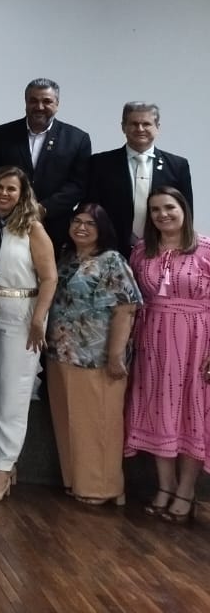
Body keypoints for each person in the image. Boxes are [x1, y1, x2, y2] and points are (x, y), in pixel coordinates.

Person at [0, 165, 57, 503]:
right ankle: (4, 461)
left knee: (13, 396)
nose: (4, 194)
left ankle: (0, 472)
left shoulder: (32, 229)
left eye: (11, 188)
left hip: (21, 314)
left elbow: (49, 277)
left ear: (22, 194)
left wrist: (39, 318)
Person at [125, 187, 210, 524]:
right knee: (160, 408)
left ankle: (186, 490)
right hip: (152, 340)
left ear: (184, 209)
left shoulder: (205, 248)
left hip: (197, 342)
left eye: (169, 208)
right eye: (156, 210)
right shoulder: (142, 251)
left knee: (191, 410)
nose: (163, 215)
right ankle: (165, 485)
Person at [46, 203, 140, 506]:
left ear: (103, 229)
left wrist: (116, 356)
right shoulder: (67, 258)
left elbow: (126, 309)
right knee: (69, 423)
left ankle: (104, 488)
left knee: (99, 424)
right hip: (61, 354)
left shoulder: (112, 260)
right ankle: (77, 481)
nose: (81, 227)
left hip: (97, 358)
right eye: (77, 221)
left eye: (90, 223)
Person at [0, 78, 91, 248]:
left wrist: (43, 208)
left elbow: (78, 185)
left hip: (55, 227)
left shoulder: (77, 139)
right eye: (33, 100)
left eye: (47, 101)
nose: (39, 106)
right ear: (25, 102)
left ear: (57, 104)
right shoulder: (0, 135)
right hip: (6, 222)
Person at [88, 101, 194, 257]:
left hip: (162, 250)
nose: (140, 129)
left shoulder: (178, 165)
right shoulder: (100, 163)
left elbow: (186, 211)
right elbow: (91, 208)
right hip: (110, 251)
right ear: (123, 127)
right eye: (134, 124)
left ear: (157, 127)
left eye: (146, 124)